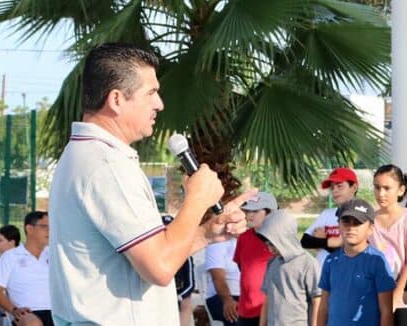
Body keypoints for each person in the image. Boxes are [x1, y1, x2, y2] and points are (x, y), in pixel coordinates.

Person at [47, 43, 250, 325]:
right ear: (116, 100)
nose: (160, 104)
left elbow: (149, 254)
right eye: (151, 93)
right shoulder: (107, 166)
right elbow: (160, 266)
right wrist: (197, 199)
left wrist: (206, 233)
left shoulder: (89, 156)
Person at [317, 199, 395, 326]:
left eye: (357, 223)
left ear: (370, 228)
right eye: (346, 222)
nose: (351, 228)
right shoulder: (330, 261)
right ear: (339, 225)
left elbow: (386, 310)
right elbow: (324, 305)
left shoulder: (377, 261)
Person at [370, 165, 407, 325]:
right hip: (373, 293)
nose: (381, 193)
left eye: (387, 188)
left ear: (400, 190)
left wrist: (397, 296)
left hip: (402, 295)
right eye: (377, 187)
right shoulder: (369, 220)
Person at [258, 210, 321, 326]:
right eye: (267, 245)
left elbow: (317, 300)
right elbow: (267, 299)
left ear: (285, 238)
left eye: (273, 244)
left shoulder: (308, 263)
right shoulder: (272, 262)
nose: (270, 249)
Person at [0, 211, 52, 326]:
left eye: (51, 226)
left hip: (57, 311)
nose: (50, 230)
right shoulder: (10, 256)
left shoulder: (55, 255)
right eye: (45, 226)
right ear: (29, 229)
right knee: (32, 324)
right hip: (27, 313)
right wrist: (14, 310)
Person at [234, 192, 276, 326]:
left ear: (270, 213)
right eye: (247, 211)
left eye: (255, 210)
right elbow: (243, 268)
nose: (249, 214)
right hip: (246, 309)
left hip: (271, 309)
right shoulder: (244, 237)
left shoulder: (279, 239)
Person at [302, 167, 359, 268]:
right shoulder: (327, 214)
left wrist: (322, 240)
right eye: (332, 188)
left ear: (354, 187)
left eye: (339, 186)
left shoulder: (361, 215)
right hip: (321, 275)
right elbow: (305, 241)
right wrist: (333, 242)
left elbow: (350, 252)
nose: (335, 191)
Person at [204, 234, 240, 325]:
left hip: (246, 296)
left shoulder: (252, 241)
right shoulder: (217, 243)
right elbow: (218, 278)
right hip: (222, 296)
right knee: (239, 316)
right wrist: (227, 300)